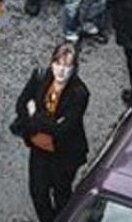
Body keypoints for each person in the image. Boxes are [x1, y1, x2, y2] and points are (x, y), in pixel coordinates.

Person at [12, 43, 90, 222]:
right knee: (38, 193)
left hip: (63, 154)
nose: (61, 71)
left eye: (67, 66)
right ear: (52, 63)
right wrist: (47, 121)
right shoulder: (41, 76)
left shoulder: (79, 93)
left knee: (62, 195)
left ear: (74, 69)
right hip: (39, 150)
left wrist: (34, 116)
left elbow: (62, 130)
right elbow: (21, 104)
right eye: (58, 64)